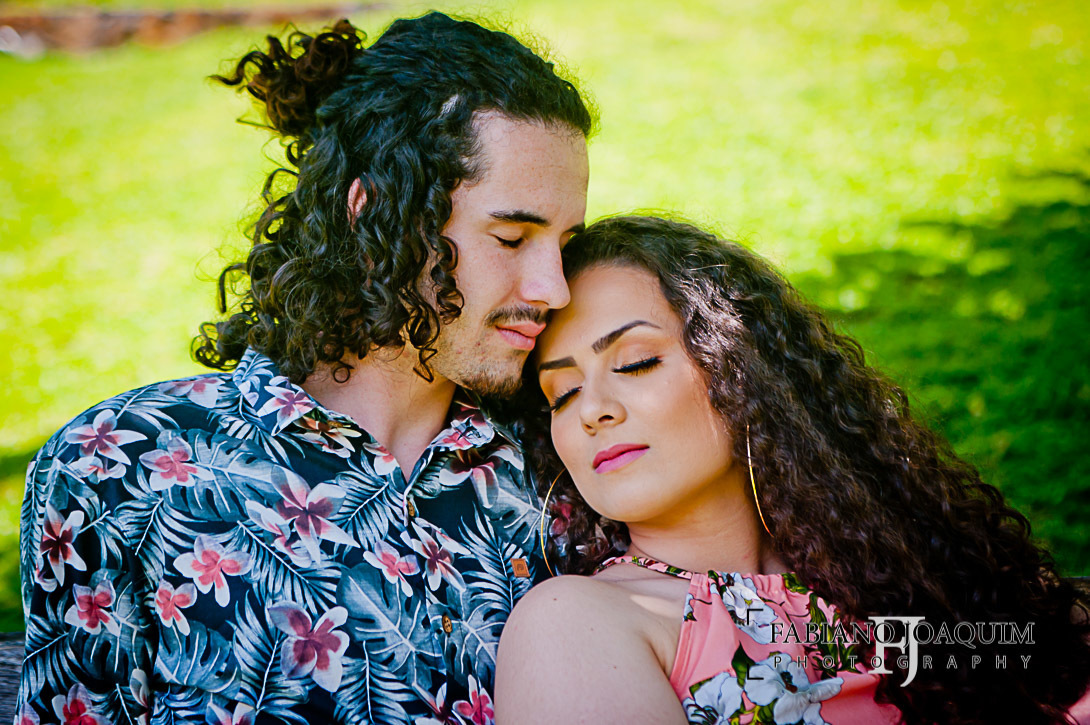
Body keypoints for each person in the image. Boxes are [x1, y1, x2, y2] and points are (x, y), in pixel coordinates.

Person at [17, 13, 592, 723]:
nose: (553, 288)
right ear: (374, 215)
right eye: (511, 236)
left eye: (565, 243)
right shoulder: (119, 468)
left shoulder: (566, 466)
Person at [495, 216, 1090, 725]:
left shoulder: (898, 569)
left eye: (636, 362)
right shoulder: (576, 625)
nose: (592, 410)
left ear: (739, 367)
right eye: (562, 394)